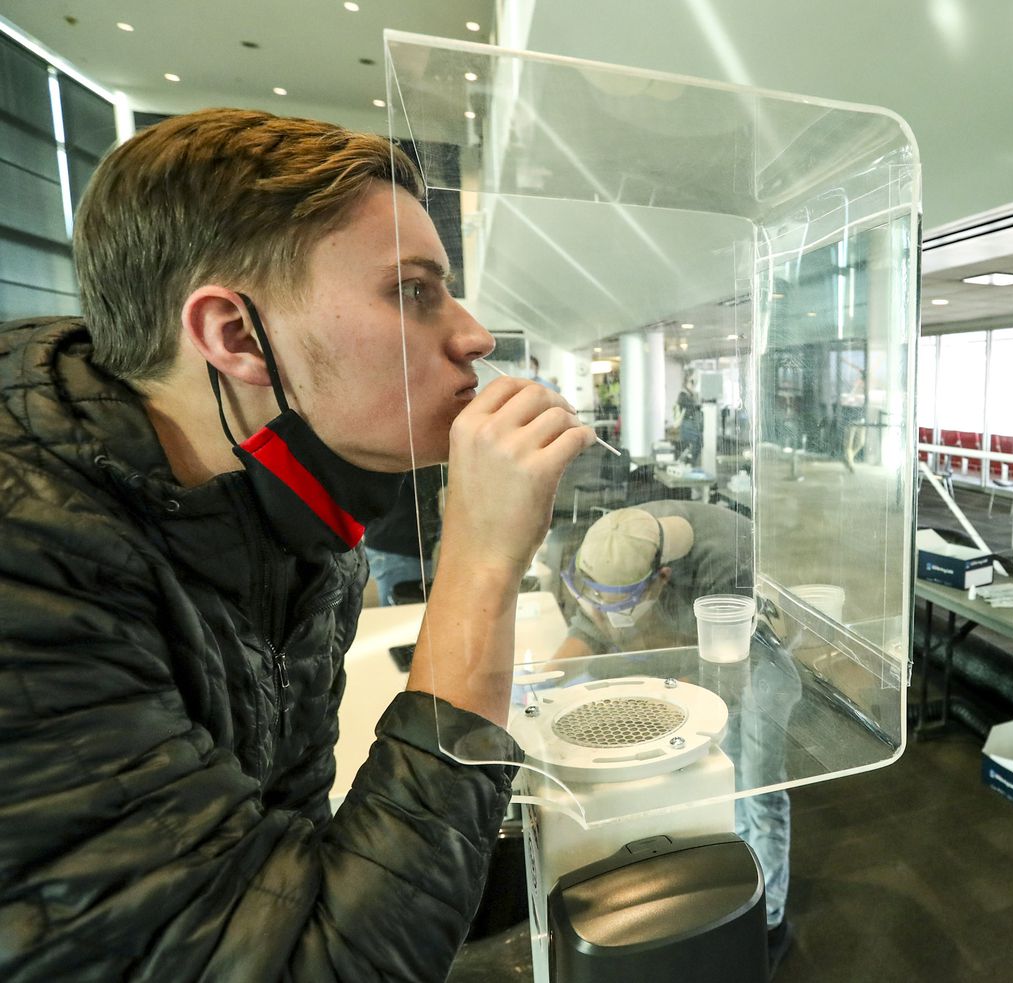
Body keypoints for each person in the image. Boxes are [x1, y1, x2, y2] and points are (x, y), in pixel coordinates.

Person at [0, 108, 594, 979]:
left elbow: (289, 847)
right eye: (413, 290)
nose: (474, 335)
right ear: (236, 336)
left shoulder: (292, 519)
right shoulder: (31, 569)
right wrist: (480, 564)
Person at [553, 502, 798, 974]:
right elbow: (595, 624)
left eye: (626, 602)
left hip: (760, 660)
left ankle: (769, 924)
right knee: (730, 784)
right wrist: (543, 679)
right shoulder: (621, 538)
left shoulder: (729, 559)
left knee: (756, 786)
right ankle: (740, 884)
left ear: (661, 576)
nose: (613, 614)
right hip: (702, 659)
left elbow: (726, 675)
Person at [364, 465, 443, 604]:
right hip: (400, 547)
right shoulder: (414, 451)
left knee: (401, 614)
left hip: (388, 541)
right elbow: (430, 482)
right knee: (406, 614)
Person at [673, 369, 703, 463]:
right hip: (688, 425)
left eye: (695, 382)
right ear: (686, 381)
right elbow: (695, 407)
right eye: (692, 381)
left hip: (692, 426)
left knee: (695, 448)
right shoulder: (683, 395)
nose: (694, 384)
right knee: (690, 450)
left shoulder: (691, 395)